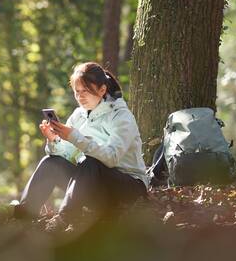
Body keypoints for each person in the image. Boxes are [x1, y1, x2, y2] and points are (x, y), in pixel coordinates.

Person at [13, 61, 148, 231]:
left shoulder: (121, 116)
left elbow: (112, 158)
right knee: (51, 163)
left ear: (102, 90)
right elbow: (69, 154)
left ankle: (63, 219)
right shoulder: (78, 115)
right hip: (95, 188)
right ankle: (22, 217)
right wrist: (54, 140)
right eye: (77, 92)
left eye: (86, 91)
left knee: (90, 161)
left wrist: (74, 137)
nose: (81, 96)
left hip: (128, 188)